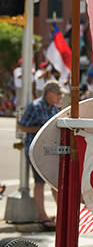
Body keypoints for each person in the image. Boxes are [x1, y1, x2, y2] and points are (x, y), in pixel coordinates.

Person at [17, 80, 62, 228]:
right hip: (35, 150)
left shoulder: (54, 109)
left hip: (50, 150)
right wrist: (41, 130)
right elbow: (22, 126)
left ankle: (61, 213)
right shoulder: (35, 107)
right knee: (40, 182)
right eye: (58, 94)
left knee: (54, 182)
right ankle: (42, 216)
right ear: (49, 93)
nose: (60, 97)